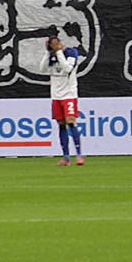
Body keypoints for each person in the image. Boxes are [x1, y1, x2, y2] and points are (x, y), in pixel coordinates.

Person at [44, 35, 88, 166]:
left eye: (57, 43)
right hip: (56, 96)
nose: (56, 46)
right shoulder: (51, 55)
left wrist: (58, 53)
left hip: (69, 94)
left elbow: (68, 68)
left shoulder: (71, 53)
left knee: (70, 120)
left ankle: (79, 155)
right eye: (52, 44)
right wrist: (48, 53)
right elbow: (42, 69)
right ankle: (66, 158)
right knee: (61, 123)